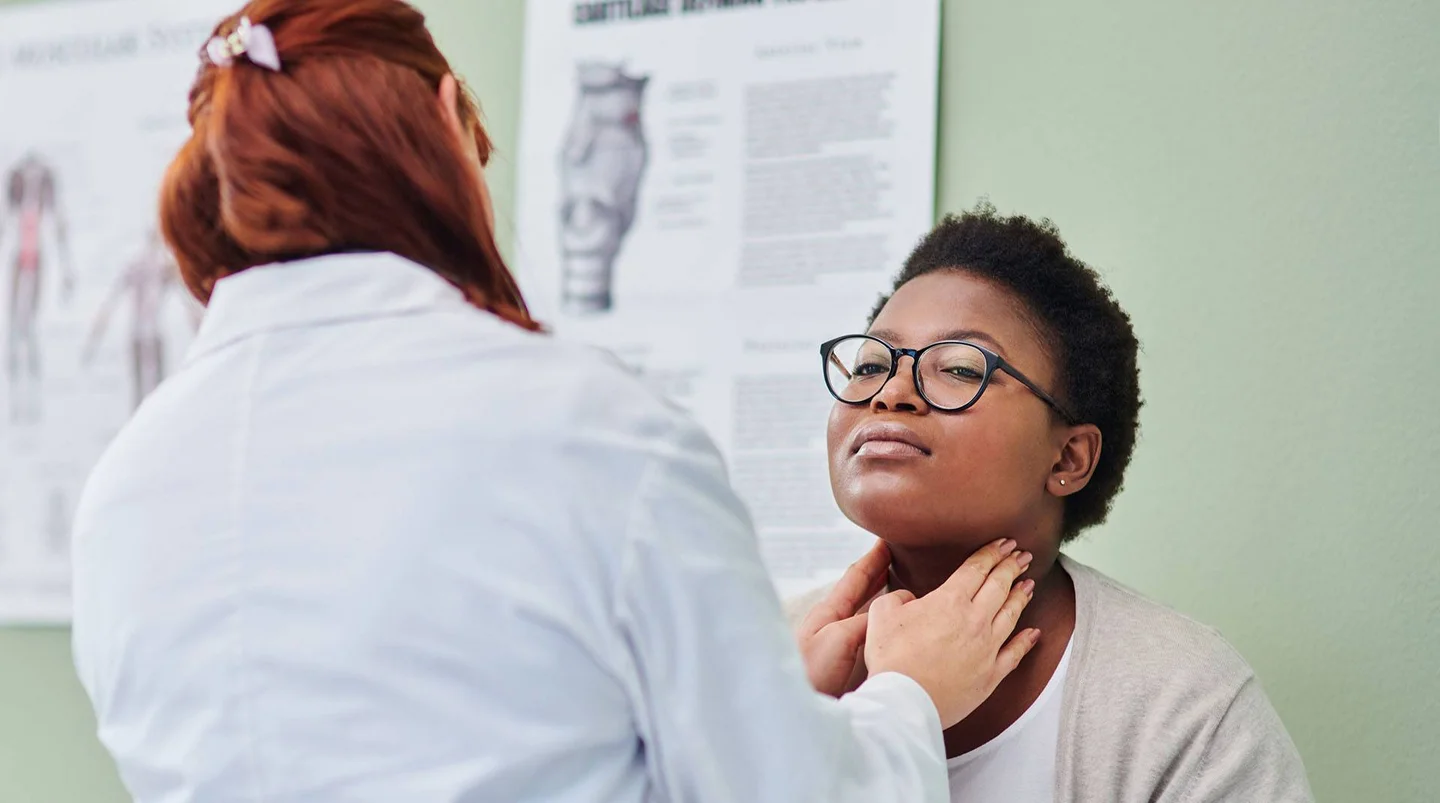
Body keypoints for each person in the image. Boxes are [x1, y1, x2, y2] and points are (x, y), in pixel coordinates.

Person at [69, 3, 1039, 802]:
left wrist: (762, 691)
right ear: (447, 119)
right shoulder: (590, 427)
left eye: (958, 371)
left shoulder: (123, 484)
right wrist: (907, 698)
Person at [789, 205, 1314, 802]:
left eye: (960, 368)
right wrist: (778, 739)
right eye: (871, 364)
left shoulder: (1184, 704)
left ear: (1067, 460)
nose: (892, 393)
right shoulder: (770, 662)